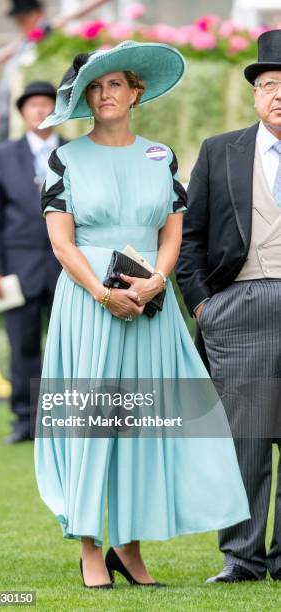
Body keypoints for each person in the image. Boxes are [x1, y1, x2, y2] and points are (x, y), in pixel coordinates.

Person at [34, 40, 250, 589]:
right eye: (97, 86)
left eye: (117, 85)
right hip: (88, 305)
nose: (106, 94)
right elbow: (62, 244)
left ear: (137, 94)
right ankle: (88, 545)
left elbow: (173, 232)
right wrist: (104, 295)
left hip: (152, 305)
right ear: (87, 96)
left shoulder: (163, 156)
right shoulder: (66, 158)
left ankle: (129, 548)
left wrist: (156, 280)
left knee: (143, 425)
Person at [176, 29, 281, 583]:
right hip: (237, 308)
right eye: (269, 84)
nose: (278, 94)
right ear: (255, 94)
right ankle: (242, 558)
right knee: (244, 441)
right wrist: (203, 306)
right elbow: (189, 239)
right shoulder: (221, 150)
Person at [0, 81, 65, 444]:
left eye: (47, 104)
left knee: (68, 346)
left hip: (68, 267)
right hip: (17, 268)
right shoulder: (5, 154)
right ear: (22, 113)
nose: (40, 110)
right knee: (23, 347)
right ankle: (25, 420)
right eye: (33, 105)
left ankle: (66, 419)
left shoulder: (75, 151)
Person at [0, 0, 109, 141]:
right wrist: (0, 108)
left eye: (24, 18)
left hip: (40, 108)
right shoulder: (25, 43)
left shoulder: (50, 39)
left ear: (37, 14)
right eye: (19, 19)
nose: (21, 23)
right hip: (13, 109)